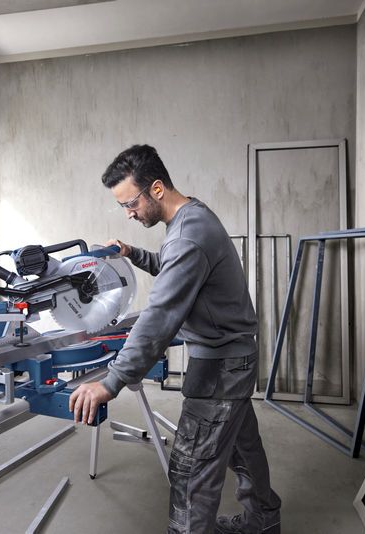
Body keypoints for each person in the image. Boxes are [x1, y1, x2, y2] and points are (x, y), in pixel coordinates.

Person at [69, 144, 281, 533]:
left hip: (219, 368)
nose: (128, 213)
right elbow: (174, 265)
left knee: (190, 473)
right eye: (122, 207)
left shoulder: (186, 237)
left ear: (157, 189)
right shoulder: (192, 218)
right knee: (242, 448)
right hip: (235, 358)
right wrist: (132, 253)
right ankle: (263, 521)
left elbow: (160, 316)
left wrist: (111, 381)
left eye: (130, 203)